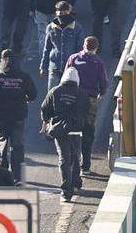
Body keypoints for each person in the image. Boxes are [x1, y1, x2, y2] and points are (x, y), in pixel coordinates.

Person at [0, 48, 36, 183]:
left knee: (1, 144)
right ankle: (18, 177)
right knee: (17, 146)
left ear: (2, 60)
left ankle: (2, 174)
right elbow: (33, 94)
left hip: (1, 116)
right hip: (18, 116)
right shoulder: (24, 77)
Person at [41, 66, 88, 200]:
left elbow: (45, 108)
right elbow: (86, 111)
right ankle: (76, 182)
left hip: (59, 130)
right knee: (76, 156)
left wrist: (46, 122)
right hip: (76, 130)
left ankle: (66, 191)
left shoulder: (55, 91)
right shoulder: (81, 94)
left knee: (64, 159)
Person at [63, 37, 108, 174]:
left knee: (71, 129)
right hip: (90, 100)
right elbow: (104, 84)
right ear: (96, 48)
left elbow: (65, 77)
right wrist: (101, 94)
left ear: (83, 45)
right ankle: (86, 166)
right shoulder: (98, 63)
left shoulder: (73, 58)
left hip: (73, 98)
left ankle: (71, 163)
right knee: (88, 132)